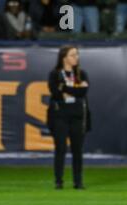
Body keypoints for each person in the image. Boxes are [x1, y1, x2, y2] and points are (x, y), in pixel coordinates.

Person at [47, 46, 91, 190]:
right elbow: (55, 92)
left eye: (77, 54)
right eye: (73, 55)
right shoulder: (55, 74)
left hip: (77, 115)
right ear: (64, 57)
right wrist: (71, 90)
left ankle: (78, 182)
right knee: (60, 148)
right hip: (60, 115)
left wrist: (64, 88)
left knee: (77, 149)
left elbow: (82, 92)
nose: (76, 57)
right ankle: (58, 181)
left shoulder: (81, 74)